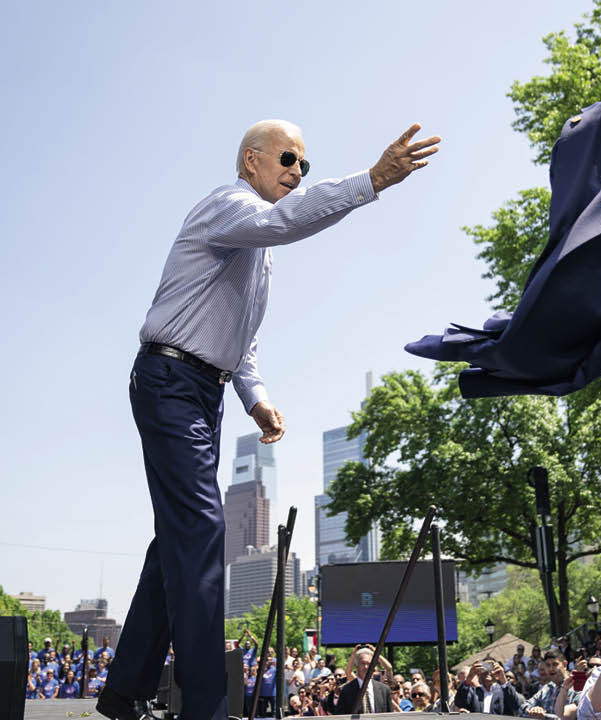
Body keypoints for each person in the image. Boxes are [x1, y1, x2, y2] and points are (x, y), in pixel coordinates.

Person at [96, 118, 440, 720]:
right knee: (202, 530)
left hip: (202, 391)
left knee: (179, 537)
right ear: (250, 161)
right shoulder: (227, 206)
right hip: (168, 380)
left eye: (305, 164)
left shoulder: (258, 253)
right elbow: (286, 221)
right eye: (287, 159)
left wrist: (255, 397)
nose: (297, 172)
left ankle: (123, 692)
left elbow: (243, 340)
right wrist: (372, 180)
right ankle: (206, 708)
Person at [334, 646, 392, 713]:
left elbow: (390, 715)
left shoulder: (384, 690)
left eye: (369, 664)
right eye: (363, 663)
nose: (366, 667)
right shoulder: (346, 691)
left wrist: (376, 652)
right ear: (357, 665)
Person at [454, 660, 523, 716]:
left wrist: (503, 680)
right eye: (484, 667)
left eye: (491, 668)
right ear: (479, 673)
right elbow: (459, 703)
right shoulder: (474, 691)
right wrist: (469, 678)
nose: (487, 671)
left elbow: (516, 706)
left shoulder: (504, 691)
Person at [526, 650, 580, 717]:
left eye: (555, 664)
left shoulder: (576, 686)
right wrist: (534, 710)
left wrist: (544, 717)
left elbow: (563, 716)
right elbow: (523, 706)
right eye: (548, 665)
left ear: (565, 664)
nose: (551, 669)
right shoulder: (547, 688)